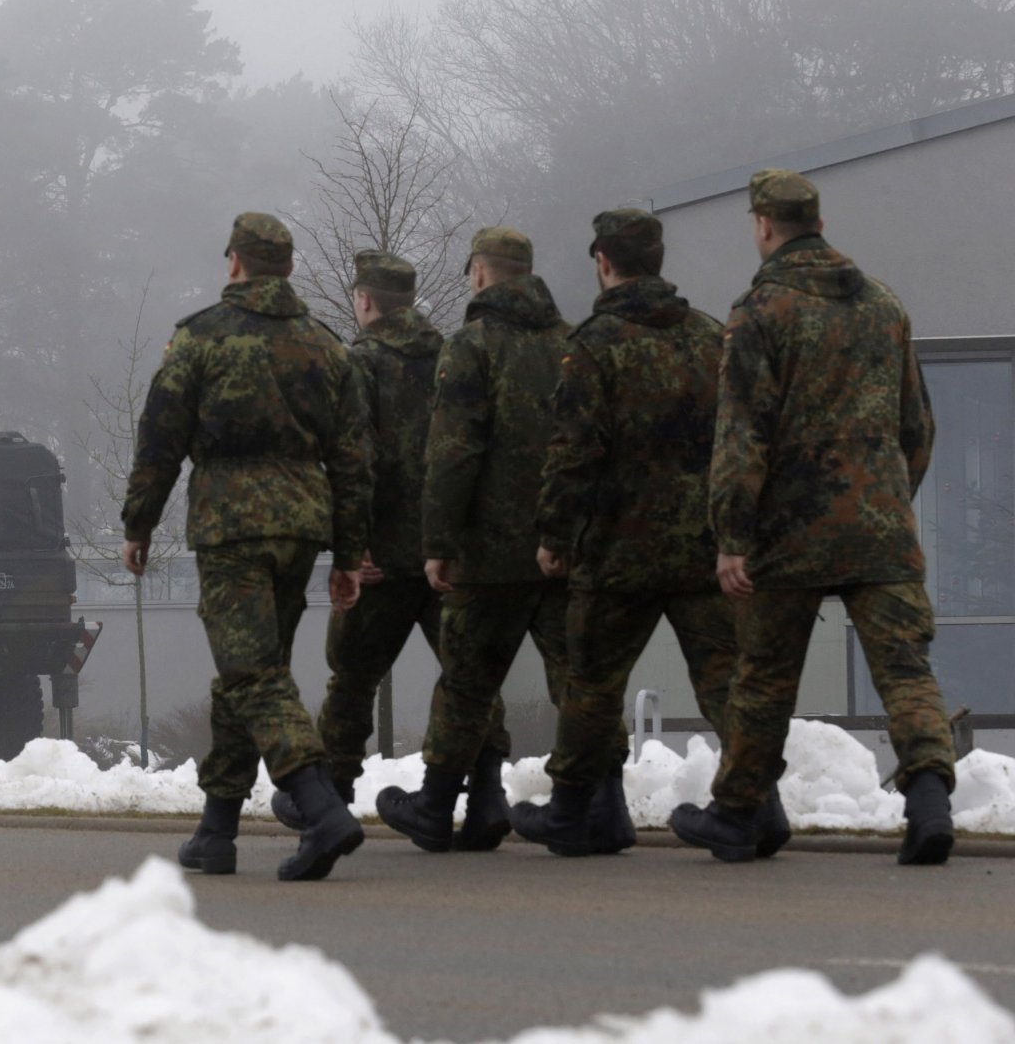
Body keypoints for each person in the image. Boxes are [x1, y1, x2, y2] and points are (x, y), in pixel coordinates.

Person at [671, 170, 957, 865]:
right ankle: (928, 802)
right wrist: (889, 498)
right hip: (879, 524)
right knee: (904, 667)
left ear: (764, 226)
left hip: (788, 531)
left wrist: (733, 536)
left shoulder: (759, 312)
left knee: (763, 674)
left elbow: (742, 436)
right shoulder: (883, 304)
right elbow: (917, 425)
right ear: (820, 225)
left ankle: (741, 813)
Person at [122, 211, 365, 881]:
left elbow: (160, 440)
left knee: (254, 673)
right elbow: (353, 459)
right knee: (249, 670)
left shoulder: (200, 337)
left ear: (234, 262)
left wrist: (138, 524)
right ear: (286, 268)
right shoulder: (326, 346)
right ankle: (216, 829)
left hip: (232, 527)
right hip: (303, 526)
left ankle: (321, 810)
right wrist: (349, 552)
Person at [513, 209, 748, 857]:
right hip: (703, 543)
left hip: (619, 550)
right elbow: (739, 440)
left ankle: (569, 812)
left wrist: (554, 535)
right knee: (725, 680)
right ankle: (758, 804)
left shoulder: (594, 344)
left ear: (603, 261)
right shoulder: (709, 337)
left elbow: (573, 453)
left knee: (591, 680)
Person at [270, 249, 510, 838]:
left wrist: (351, 547)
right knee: (469, 677)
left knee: (351, 678)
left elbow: (350, 460)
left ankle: (329, 798)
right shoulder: (458, 355)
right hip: (449, 554)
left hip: (381, 555)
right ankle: (486, 794)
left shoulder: (358, 363)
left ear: (366, 300)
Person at [376, 227, 574, 852]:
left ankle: (436, 805)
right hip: (563, 544)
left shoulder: (472, 346)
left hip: (489, 554)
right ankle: (597, 803)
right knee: (577, 678)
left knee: (465, 681)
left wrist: (438, 541)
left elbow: (454, 452)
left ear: (481, 274)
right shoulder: (573, 345)